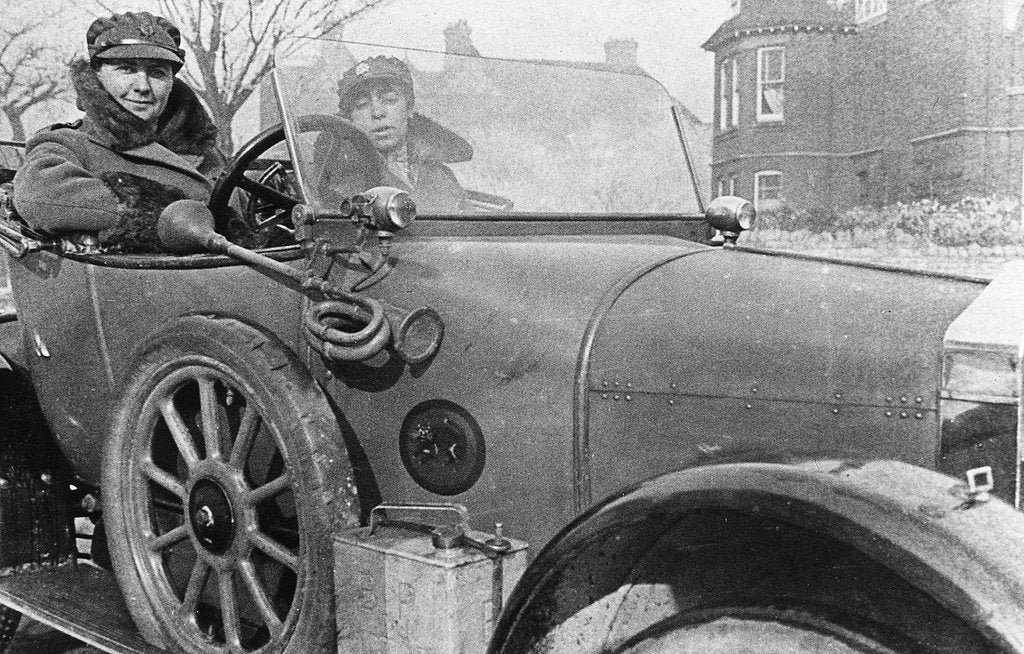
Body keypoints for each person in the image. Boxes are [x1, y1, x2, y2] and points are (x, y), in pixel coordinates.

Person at [13, 11, 226, 253]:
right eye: (126, 69)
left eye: (157, 73)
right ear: (97, 76)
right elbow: (39, 192)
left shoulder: (204, 152)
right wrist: (160, 216)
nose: (143, 86)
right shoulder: (70, 143)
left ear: (171, 81)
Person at [317, 56, 472, 214]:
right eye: (361, 105)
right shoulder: (338, 184)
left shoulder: (440, 175)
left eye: (389, 100)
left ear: (409, 108)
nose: (377, 113)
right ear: (350, 120)